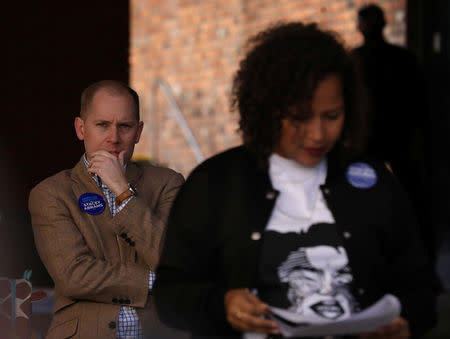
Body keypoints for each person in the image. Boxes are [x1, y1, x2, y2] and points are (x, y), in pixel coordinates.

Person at [153, 22, 436, 339]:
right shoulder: (215, 183)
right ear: (265, 109)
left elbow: (421, 287)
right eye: (299, 117)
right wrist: (221, 303)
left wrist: (406, 323)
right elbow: (169, 297)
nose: (317, 134)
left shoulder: (373, 180)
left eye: (331, 116)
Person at [28, 80, 184, 338]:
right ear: (81, 128)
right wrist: (155, 280)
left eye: (124, 126)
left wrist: (124, 192)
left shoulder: (168, 183)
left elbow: (174, 261)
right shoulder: (52, 193)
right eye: (102, 125)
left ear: (138, 131)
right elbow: (74, 276)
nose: (114, 138)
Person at [351, 4, 434, 264]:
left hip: (391, 139)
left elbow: (420, 103)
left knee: (403, 199)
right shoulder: (361, 60)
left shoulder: (360, 61)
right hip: (379, 140)